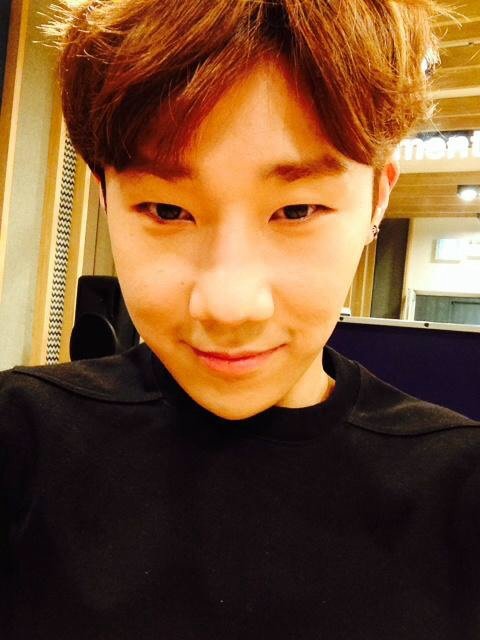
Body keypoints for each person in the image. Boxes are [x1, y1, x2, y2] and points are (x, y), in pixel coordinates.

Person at [1, 0, 479, 638]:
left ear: (377, 199)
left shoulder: (459, 490)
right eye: (166, 211)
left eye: (297, 210)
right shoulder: (21, 439)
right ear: (106, 198)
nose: (229, 306)